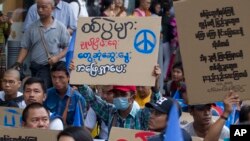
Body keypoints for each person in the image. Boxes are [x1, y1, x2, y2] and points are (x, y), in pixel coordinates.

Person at [78, 65, 161, 139]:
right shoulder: (110, 112)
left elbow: (156, 105)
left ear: (133, 97)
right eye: (116, 94)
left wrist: (156, 84)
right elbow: (92, 99)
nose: (119, 97)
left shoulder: (142, 116)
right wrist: (77, 77)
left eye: (123, 94)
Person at [13, 0, 70, 88]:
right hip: (37, 68)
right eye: (38, 7)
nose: (40, 10)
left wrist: (57, 57)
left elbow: (67, 48)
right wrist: (18, 63)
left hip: (56, 68)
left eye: (43, 7)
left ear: (52, 9)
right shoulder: (31, 28)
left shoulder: (61, 27)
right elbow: (25, 47)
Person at [44, 61, 87, 126]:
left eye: (61, 77)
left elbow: (80, 124)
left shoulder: (78, 98)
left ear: (68, 77)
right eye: (54, 77)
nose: (57, 81)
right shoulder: (46, 94)